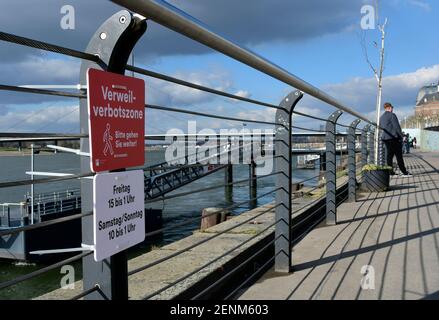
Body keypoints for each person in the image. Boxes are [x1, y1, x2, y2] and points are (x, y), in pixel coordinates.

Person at [380, 102, 412, 177]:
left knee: (389, 156)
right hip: (393, 138)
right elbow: (397, 127)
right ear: (390, 108)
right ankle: (404, 172)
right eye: (392, 108)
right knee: (399, 155)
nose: (392, 109)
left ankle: (390, 172)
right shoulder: (392, 115)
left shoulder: (381, 117)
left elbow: (381, 127)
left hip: (385, 138)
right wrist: (402, 136)